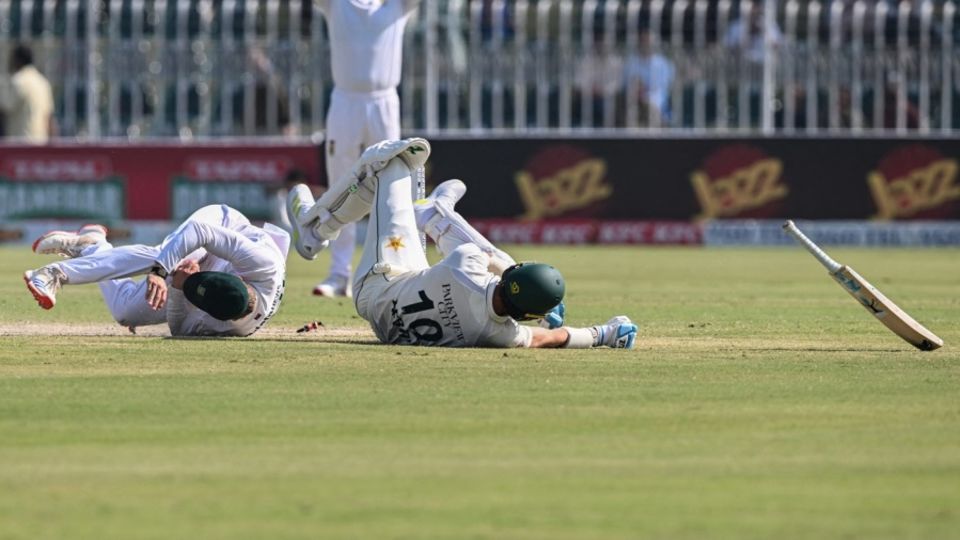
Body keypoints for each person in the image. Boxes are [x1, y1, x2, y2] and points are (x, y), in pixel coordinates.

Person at [285, 138, 638, 349]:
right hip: (395, 316)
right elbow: (550, 340)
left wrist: (518, 277)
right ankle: (432, 213)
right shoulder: (500, 334)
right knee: (470, 251)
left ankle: (315, 228)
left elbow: (495, 262)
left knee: (392, 160)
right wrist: (604, 334)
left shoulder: (466, 265)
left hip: (377, 286)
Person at [23, 205, 288, 337]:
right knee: (162, 255)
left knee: (125, 312)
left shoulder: (228, 327)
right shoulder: (263, 264)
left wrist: (178, 287)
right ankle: (54, 274)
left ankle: (93, 246)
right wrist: (161, 272)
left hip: (192, 281)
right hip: (223, 226)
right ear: (236, 277)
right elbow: (199, 232)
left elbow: (180, 328)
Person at [310, 0, 422, 298]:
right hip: (346, 101)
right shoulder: (337, 5)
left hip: (384, 102)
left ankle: (392, 268)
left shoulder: (396, 6)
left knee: (392, 186)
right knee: (341, 187)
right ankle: (339, 274)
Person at [0, 43, 56, 143]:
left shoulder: (18, 81)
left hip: (20, 143)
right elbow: (49, 118)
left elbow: (5, 108)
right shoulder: (43, 82)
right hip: (40, 144)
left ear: (18, 60)